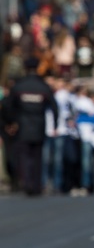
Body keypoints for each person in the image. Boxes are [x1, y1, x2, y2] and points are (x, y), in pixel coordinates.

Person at [2, 57, 58, 196]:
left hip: (23, 126)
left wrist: (10, 122)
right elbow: (54, 106)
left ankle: (27, 183)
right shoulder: (43, 86)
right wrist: (55, 124)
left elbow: (7, 106)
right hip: (39, 125)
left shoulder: (19, 86)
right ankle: (36, 185)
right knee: (37, 157)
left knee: (24, 157)